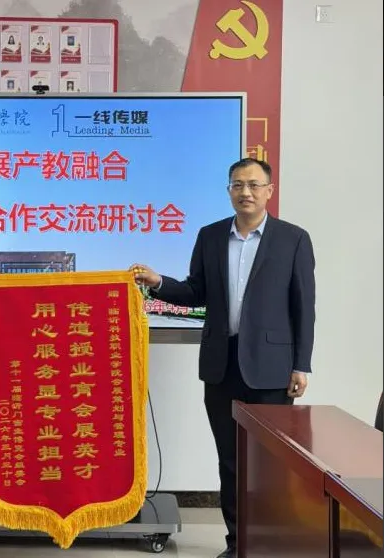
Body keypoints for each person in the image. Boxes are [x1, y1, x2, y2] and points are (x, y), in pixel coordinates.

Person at [132, 158, 315, 558]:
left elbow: (304, 306)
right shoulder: (211, 236)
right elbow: (196, 291)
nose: (245, 192)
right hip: (221, 365)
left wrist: (301, 364)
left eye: (253, 185)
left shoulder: (293, 239)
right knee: (230, 462)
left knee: (269, 466)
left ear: (269, 190)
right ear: (229, 190)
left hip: (271, 370)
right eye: (237, 185)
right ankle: (237, 544)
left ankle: (271, 544)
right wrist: (158, 282)